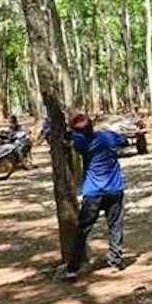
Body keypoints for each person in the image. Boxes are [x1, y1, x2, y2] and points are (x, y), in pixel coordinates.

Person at [64, 113, 128, 280]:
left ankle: (73, 268)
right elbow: (124, 141)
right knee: (115, 226)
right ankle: (115, 261)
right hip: (114, 189)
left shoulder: (81, 142)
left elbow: (71, 140)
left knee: (83, 230)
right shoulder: (108, 136)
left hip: (93, 193)